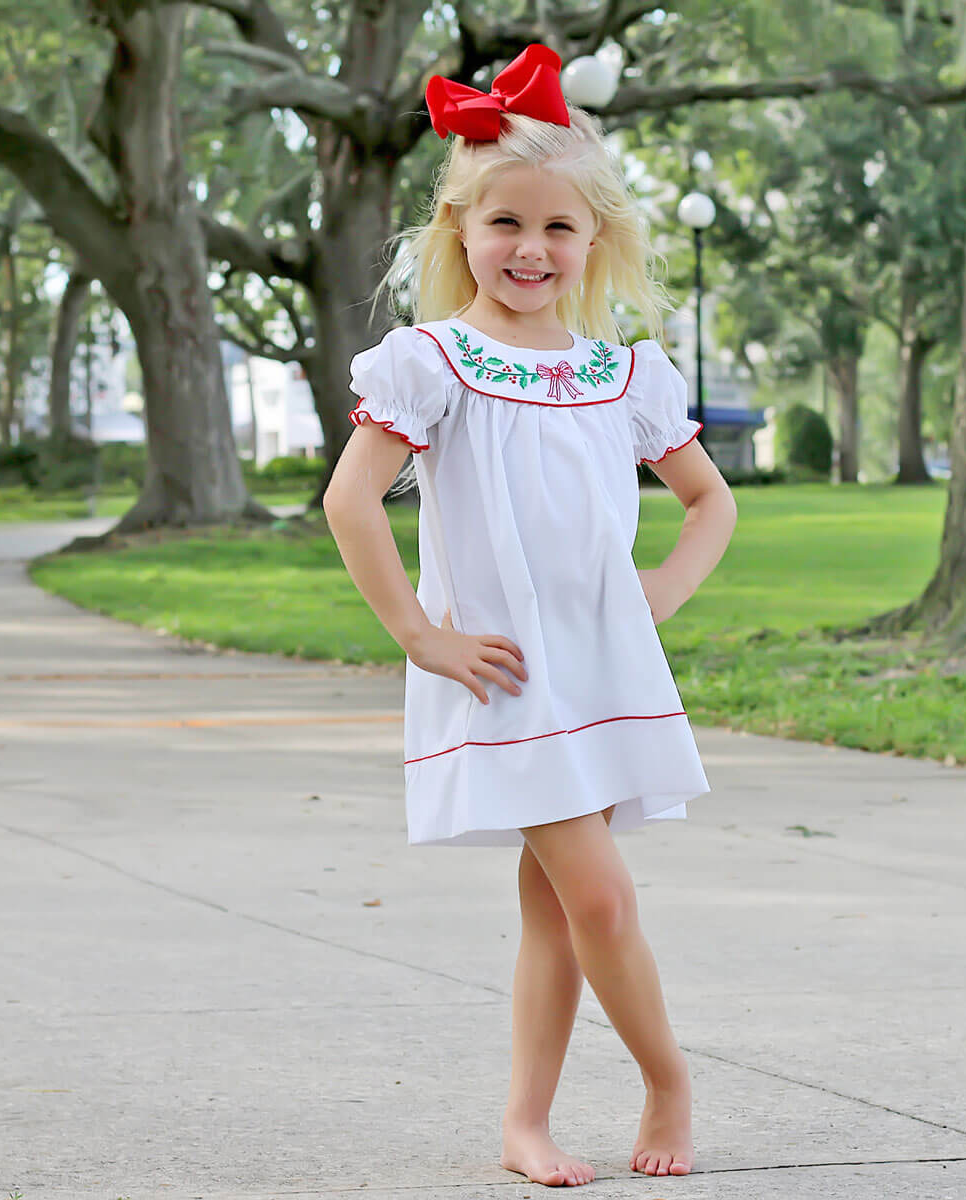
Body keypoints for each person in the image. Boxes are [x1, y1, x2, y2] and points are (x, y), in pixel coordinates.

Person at [323, 43, 737, 1188]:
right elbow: (351, 498)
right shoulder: (436, 362)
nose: (531, 249)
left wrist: (658, 592)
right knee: (599, 894)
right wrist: (421, 635)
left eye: (559, 229)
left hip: (601, 668)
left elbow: (710, 506)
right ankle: (668, 1077)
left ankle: (526, 1123)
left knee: (558, 913)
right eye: (506, 223)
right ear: (460, 230)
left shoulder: (622, 373)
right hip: (502, 674)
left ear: (593, 241)